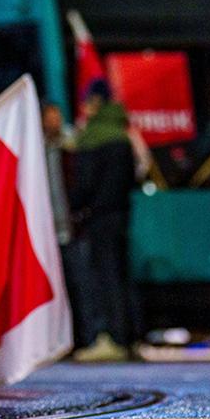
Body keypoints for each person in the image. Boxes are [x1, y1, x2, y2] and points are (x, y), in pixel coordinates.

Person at [67, 81, 139, 362]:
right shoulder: (122, 135)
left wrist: (77, 206)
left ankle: (111, 337)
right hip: (121, 214)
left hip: (99, 218)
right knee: (121, 275)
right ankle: (129, 336)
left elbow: (85, 183)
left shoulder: (93, 137)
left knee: (104, 277)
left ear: (96, 102)